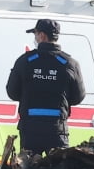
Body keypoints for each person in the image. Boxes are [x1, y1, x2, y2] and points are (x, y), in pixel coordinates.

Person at [6, 18, 85, 154]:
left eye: (35, 34)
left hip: (30, 130)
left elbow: (12, 92)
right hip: (57, 131)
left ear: (42, 35)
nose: (35, 38)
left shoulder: (25, 61)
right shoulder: (69, 63)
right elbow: (78, 97)